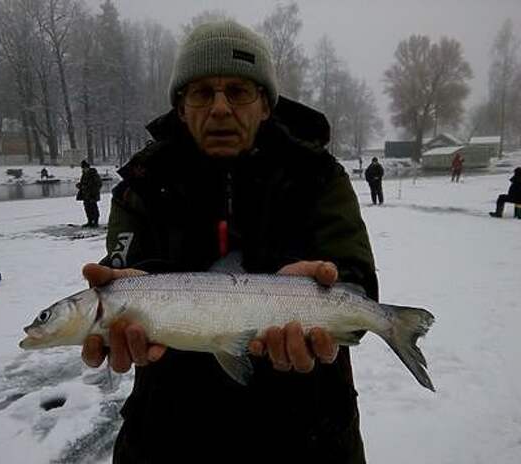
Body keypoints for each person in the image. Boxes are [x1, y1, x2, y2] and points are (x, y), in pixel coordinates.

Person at [82, 20, 377, 463]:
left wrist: (322, 293)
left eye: (238, 91)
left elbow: (358, 289)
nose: (220, 108)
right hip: (168, 437)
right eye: (201, 92)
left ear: (265, 105)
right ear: (181, 107)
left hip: (311, 438)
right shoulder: (141, 185)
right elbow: (122, 272)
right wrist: (121, 309)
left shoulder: (318, 177)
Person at [76, 160, 102, 227]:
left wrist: (91, 190)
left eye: (85, 168)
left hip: (92, 195)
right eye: (83, 168)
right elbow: (83, 183)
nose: (84, 169)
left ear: (88, 167)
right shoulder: (84, 175)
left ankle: (95, 222)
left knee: (94, 208)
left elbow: (98, 184)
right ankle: (90, 221)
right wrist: (80, 185)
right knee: (87, 208)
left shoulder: (94, 174)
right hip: (85, 195)